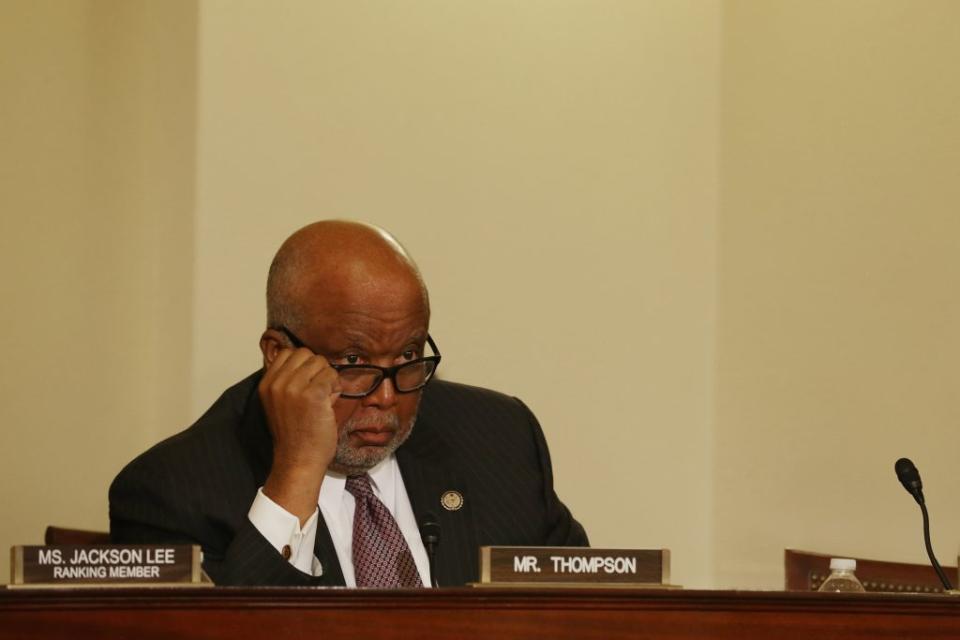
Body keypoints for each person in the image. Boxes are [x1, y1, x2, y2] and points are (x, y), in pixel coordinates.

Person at [110, 220, 587, 586]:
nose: (386, 396)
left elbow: (588, 611)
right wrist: (296, 472)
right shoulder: (171, 492)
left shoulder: (499, 437)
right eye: (354, 360)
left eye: (408, 355)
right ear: (279, 356)